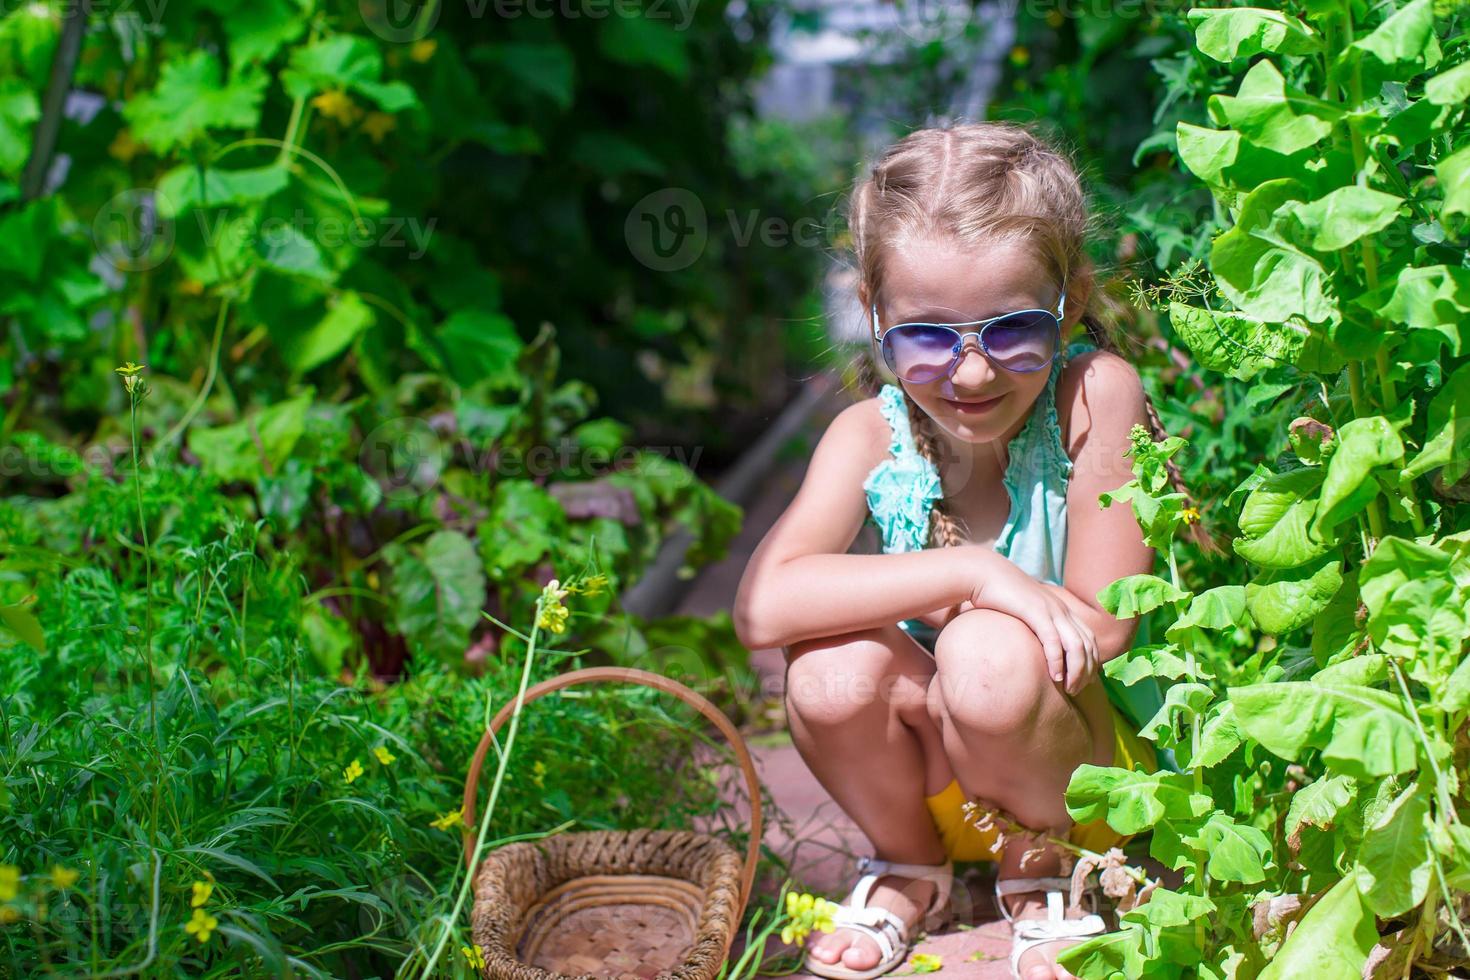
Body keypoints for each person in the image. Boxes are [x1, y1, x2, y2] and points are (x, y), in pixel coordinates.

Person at [732, 121, 1199, 980]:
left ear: (1074, 298)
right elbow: (764, 607)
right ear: (874, 316)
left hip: (1093, 781)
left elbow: (1103, 626)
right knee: (825, 672)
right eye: (927, 336)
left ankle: (1048, 877)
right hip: (945, 783)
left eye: (1014, 329)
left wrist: (978, 624)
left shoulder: (1094, 396)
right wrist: (976, 570)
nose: (974, 374)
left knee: (985, 653)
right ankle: (909, 867)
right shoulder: (867, 434)